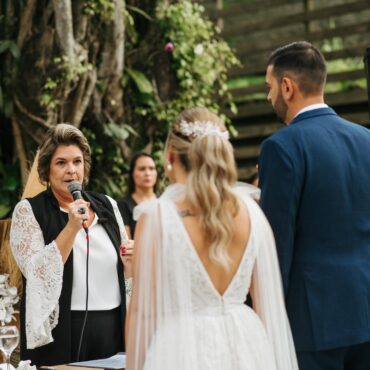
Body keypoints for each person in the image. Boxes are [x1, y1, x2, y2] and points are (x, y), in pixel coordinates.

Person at [125, 107, 298, 370]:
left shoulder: (158, 216)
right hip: (247, 342)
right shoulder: (252, 212)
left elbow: (142, 313)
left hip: (181, 347)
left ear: (171, 155)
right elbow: (267, 306)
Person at [259, 41, 370, 370]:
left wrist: (266, 314)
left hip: (313, 320)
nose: (269, 97)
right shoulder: (366, 140)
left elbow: (277, 242)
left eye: (269, 87)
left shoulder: (281, 147)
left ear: (288, 86)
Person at [10, 123, 132, 366]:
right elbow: (36, 274)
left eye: (77, 161)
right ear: (46, 169)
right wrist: (71, 227)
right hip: (61, 330)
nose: (71, 171)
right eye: (61, 163)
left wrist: (131, 260)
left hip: (111, 327)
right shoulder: (29, 211)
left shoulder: (107, 204)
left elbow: (125, 271)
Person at [118, 152, 157, 239]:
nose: (147, 173)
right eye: (142, 169)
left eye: (151, 168)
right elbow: (126, 243)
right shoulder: (123, 205)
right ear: (132, 174)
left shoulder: (164, 201)